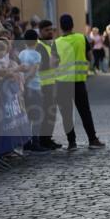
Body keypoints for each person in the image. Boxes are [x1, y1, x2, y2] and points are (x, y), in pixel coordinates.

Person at [55, 14, 105, 150]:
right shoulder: (81, 38)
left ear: (61, 26)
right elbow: (90, 57)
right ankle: (92, 140)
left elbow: (54, 62)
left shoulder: (56, 42)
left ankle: (72, 143)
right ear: (72, 25)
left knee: (66, 114)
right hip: (78, 82)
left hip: (62, 83)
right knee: (85, 112)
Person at [36, 19, 62, 150]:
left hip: (52, 83)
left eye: (51, 30)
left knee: (51, 113)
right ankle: (43, 140)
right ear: (40, 32)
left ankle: (48, 139)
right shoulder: (38, 46)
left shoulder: (51, 44)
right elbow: (39, 66)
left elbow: (57, 60)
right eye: (47, 30)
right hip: (42, 85)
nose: (50, 32)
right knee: (45, 114)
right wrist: (51, 64)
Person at [18, 29, 45, 153]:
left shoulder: (21, 53)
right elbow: (34, 71)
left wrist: (22, 81)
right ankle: (35, 142)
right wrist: (26, 80)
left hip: (24, 88)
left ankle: (27, 141)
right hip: (34, 87)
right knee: (37, 116)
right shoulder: (36, 55)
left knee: (27, 116)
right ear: (36, 40)